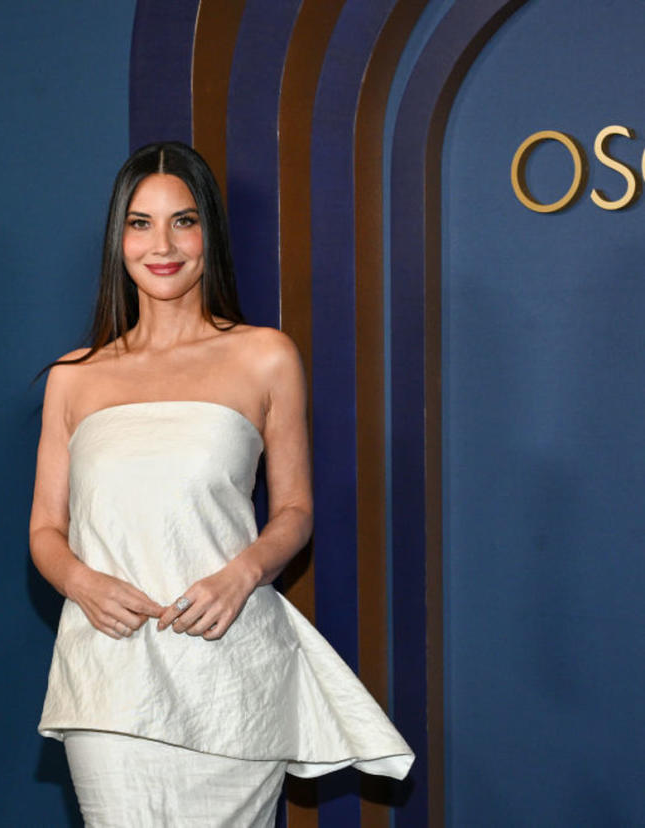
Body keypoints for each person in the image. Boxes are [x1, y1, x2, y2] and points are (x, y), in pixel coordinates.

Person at [30, 142, 412, 826]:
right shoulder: (74, 376)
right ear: (118, 239)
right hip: (110, 673)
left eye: (184, 220)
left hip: (232, 668)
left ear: (210, 232)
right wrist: (79, 583)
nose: (163, 244)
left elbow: (294, 510)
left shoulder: (264, 355)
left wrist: (242, 575)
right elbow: (45, 531)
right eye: (141, 223)